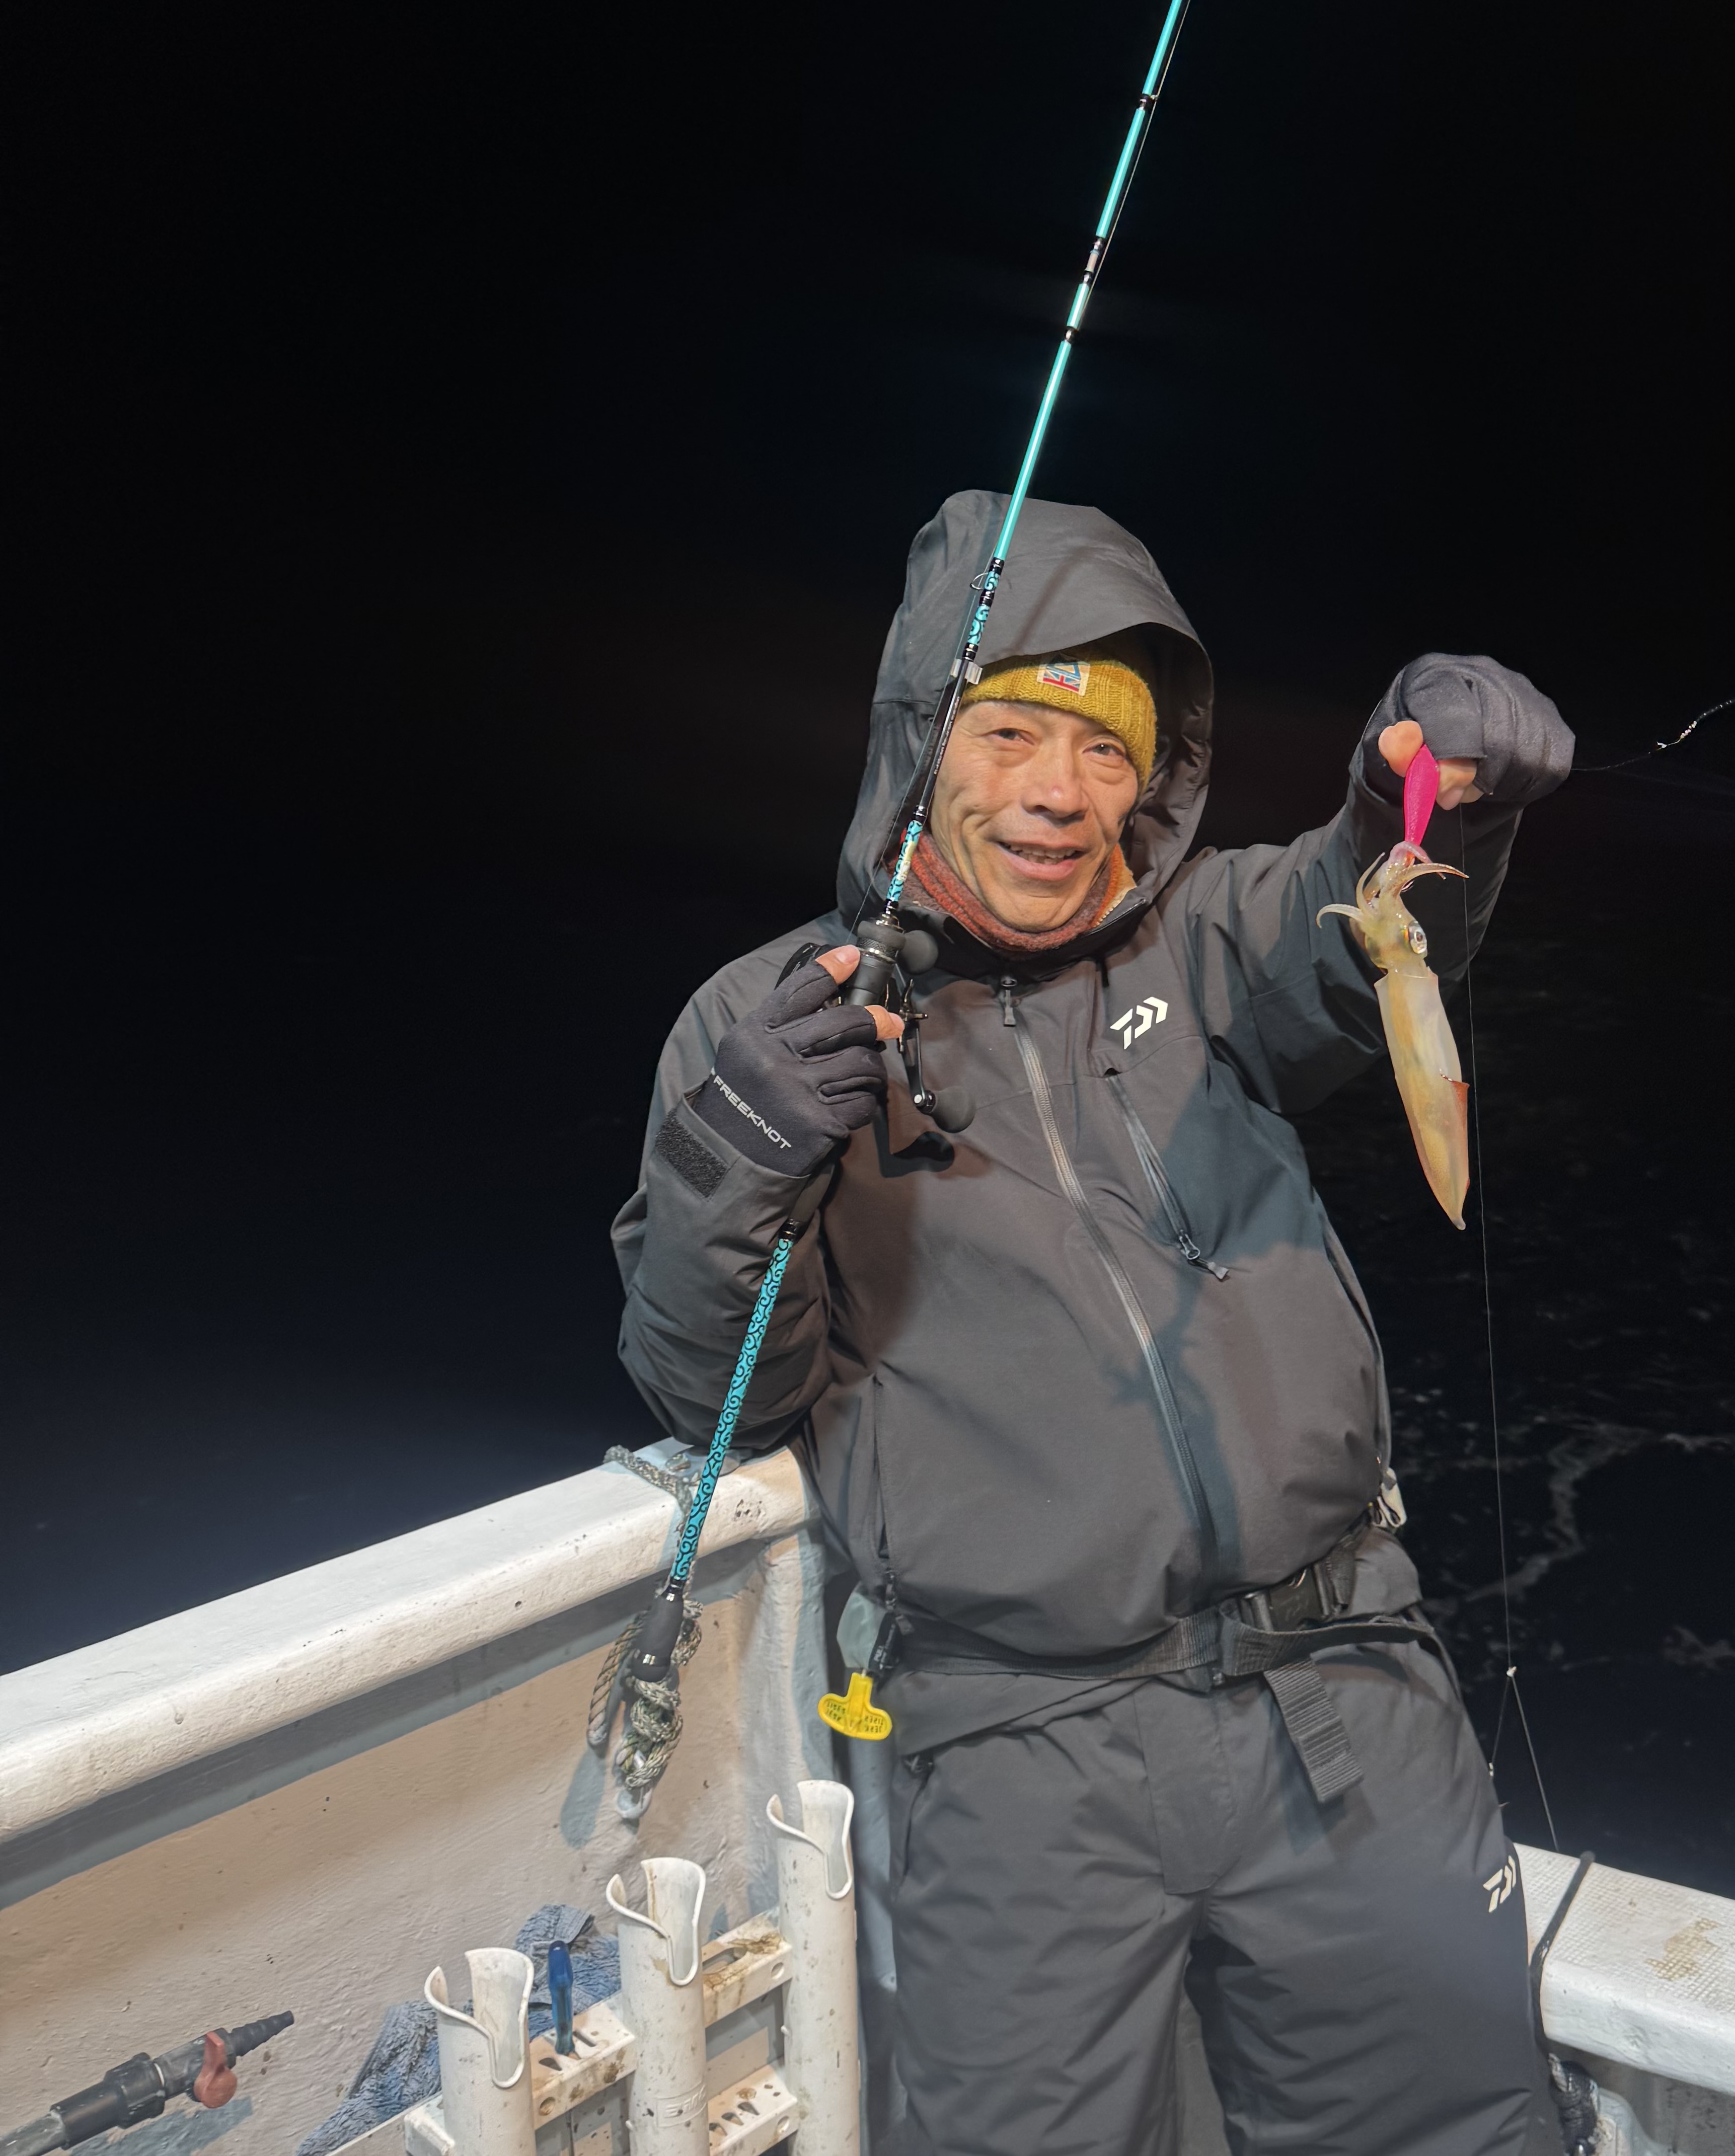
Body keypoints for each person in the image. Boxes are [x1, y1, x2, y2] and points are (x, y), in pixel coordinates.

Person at [613, 490, 1575, 2155]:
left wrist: (1430, 799)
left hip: (1342, 1695)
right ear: (919, 747)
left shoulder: (1207, 942)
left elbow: (1364, 926)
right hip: (1014, 1751)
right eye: (1008, 734)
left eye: (1108, 750)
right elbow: (719, 1396)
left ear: (1159, 775)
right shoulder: (770, 1021)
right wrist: (740, 1154)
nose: (1061, 793)